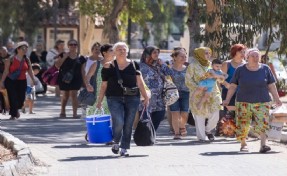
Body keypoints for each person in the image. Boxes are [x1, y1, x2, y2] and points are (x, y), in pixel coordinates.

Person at [222, 48, 282, 153]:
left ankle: (263, 145)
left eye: (257, 56)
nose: (255, 58)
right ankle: (243, 144)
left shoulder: (265, 69)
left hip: (262, 101)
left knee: (263, 122)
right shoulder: (240, 69)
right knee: (243, 123)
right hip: (243, 101)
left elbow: (271, 85)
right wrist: (227, 99)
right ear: (247, 57)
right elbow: (233, 86)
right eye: (253, 56)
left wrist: (277, 99)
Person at [96, 42, 149, 157]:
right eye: (119, 49)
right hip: (113, 97)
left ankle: (124, 147)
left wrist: (145, 96)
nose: (122, 51)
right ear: (114, 52)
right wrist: (99, 101)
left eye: (124, 49)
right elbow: (104, 85)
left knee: (129, 123)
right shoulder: (108, 66)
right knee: (119, 121)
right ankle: (116, 141)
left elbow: (139, 82)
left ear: (127, 51)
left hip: (132, 97)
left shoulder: (134, 64)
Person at [185, 47, 222, 141]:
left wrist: (219, 77)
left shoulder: (212, 65)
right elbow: (188, 81)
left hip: (213, 93)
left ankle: (208, 130)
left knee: (216, 113)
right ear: (200, 54)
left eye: (209, 53)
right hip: (198, 93)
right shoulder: (192, 66)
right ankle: (201, 138)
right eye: (206, 53)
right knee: (199, 115)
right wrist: (198, 88)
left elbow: (220, 77)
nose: (208, 55)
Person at [139, 46, 173, 131]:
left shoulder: (159, 64)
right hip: (147, 97)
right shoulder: (141, 66)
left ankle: (151, 134)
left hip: (160, 97)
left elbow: (171, 74)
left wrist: (163, 65)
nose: (157, 54)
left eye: (157, 52)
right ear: (148, 54)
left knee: (160, 114)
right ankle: (146, 136)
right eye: (154, 52)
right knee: (146, 118)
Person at [0, 41, 36, 120]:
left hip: (22, 81)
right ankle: (13, 114)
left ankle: (16, 110)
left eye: (26, 48)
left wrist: (33, 79)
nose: (25, 50)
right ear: (18, 49)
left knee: (21, 99)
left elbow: (30, 70)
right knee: (13, 97)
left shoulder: (26, 59)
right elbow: (6, 71)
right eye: (23, 48)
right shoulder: (11, 59)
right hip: (11, 81)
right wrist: (2, 82)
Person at [55, 39, 86, 118]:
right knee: (65, 95)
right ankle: (62, 111)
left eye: (75, 44)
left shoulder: (81, 58)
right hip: (65, 78)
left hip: (76, 78)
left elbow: (83, 71)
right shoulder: (63, 55)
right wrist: (64, 57)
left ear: (77, 46)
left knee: (74, 94)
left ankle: (74, 113)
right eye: (71, 44)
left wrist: (85, 81)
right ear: (68, 46)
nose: (73, 46)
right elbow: (57, 65)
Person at [169, 48, 190, 139]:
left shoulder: (188, 68)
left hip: (186, 92)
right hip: (173, 93)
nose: (184, 58)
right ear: (175, 57)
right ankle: (177, 133)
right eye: (181, 56)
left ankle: (182, 126)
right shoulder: (169, 69)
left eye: (185, 56)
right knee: (175, 113)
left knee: (185, 113)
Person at [80, 42, 102, 117]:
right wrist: (86, 83)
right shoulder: (87, 60)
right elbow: (83, 72)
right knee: (87, 99)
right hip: (88, 82)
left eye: (99, 49)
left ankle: (96, 115)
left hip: (98, 84)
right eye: (96, 49)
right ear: (92, 50)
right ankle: (86, 115)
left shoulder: (102, 60)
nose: (97, 51)